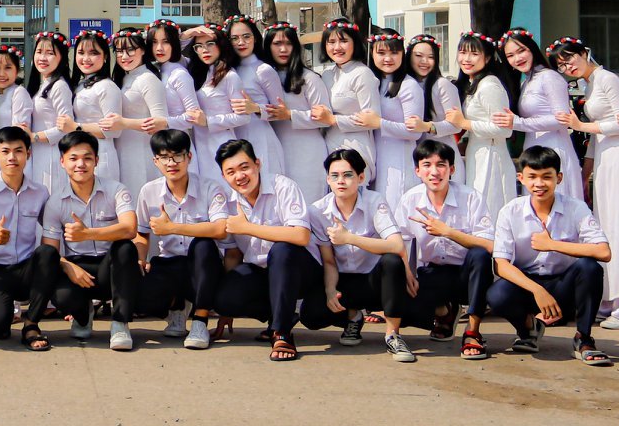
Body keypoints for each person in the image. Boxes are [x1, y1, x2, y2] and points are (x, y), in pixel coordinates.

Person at [549, 36, 619, 330]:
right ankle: (610, 298)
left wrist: (580, 125)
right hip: (605, 161)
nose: (567, 67)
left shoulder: (608, 79)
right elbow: (596, 137)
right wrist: (586, 173)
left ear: (585, 53)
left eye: (570, 59)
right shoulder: (590, 84)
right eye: (561, 65)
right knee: (607, 229)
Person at [488, 145, 615, 366]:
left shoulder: (576, 208)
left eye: (547, 177)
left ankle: (584, 338)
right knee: (497, 294)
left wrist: (552, 245)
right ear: (521, 178)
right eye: (532, 177)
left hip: (564, 286)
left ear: (559, 178)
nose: (539, 184)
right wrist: (537, 290)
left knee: (590, 268)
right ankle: (528, 329)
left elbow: (603, 252)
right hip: (528, 285)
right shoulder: (510, 211)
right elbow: (501, 264)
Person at [302, 148, 416, 362]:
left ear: (361, 177)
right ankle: (353, 317)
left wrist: (349, 238)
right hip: (344, 281)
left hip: (376, 282)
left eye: (348, 175)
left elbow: (396, 245)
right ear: (328, 179)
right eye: (334, 176)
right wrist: (330, 289)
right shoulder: (317, 211)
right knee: (311, 315)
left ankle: (393, 335)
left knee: (392, 261)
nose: (341, 181)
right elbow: (329, 260)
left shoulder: (375, 201)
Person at [209, 137, 314, 361]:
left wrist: (248, 227)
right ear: (224, 176)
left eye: (244, 167)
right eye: (231, 172)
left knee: (282, 250)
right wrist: (227, 310)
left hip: (298, 270)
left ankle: (282, 333)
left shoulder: (283, 186)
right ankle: (278, 316)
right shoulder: (229, 203)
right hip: (261, 272)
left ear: (258, 164)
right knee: (223, 300)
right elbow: (233, 253)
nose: (239, 176)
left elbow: (301, 235)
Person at [397, 138, 497, 359]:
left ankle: (472, 332)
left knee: (480, 255)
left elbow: (490, 245)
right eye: (427, 165)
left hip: (467, 274)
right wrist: (407, 274)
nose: (434, 172)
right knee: (400, 306)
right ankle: (445, 312)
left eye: (441, 165)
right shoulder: (410, 200)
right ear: (417, 171)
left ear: (452, 169)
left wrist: (448, 232)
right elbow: (399, 242)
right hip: (433, 272)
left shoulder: (470, 197)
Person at [43, 130, 140, 351]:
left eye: (87, 158)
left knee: (125, 248)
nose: (81, 164)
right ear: (62, 162)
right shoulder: (55, 201)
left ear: (96, 160)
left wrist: (88, 234)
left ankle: (120, 322)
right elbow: (49, 250)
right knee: (60, 294)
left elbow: (130, 228)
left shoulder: (116, 190)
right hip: (78, 267)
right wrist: (67, 267)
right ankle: (82, 315)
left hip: (110, 267)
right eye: (73, 158)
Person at [0, 125, 59, 351]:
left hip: (27, 269)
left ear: (29, 154)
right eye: (5, 151)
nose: (12, 158)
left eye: (18, 151)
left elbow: (52, 231)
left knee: (48, 253)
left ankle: (31, 324)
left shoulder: (40, 192)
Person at [134, 129, 224, 350]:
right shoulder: (148, 191)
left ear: (189, 157)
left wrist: (172, 227)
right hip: (169, 262)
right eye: (164, 157)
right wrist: (141, 259)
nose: (171, 163)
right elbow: (142, 233)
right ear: (155, 161)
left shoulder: (210, 188)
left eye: (177, 155)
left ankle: (200, 320)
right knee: (140, 300)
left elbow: (220, 229)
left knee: (203, 244)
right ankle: (177, 306)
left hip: (202, 266)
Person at [495, 29, 582, 201]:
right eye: (510, 55)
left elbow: (562, 119)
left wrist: (518, 123)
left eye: (521, 51)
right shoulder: (526, 82)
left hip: (554, 151)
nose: (517, 58)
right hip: (533, 152)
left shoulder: (549, 77)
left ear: (532, 48)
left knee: (557, 205)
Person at [450, 31, 516, 215]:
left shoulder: (489, 86)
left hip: (491, 156)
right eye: (462, 52)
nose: (466, 59)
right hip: (477, 152)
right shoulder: (474, 84)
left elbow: (504, 130)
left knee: (489, 208)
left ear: (487, 58)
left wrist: (465, 124)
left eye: (474, 54)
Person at [262, 21, 330, 199]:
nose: (283, 49)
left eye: (288, 43)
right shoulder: (262, 77)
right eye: (277, 44)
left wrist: (290, 115)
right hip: (274, 149)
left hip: (307, 153)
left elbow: (325, 118)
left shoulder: (309, 78)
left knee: (307, 201)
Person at [318, 18, 381, 185]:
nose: (337, 47)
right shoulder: (327, 75)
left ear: (355, 43)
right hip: (329, 147)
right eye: (331, 42)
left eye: (344, 41)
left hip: (356, 147)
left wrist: (334, 120)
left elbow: (372, 119)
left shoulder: (362, 74)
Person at [223, 15, 287, 180]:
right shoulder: (225, 69)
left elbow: (281, 111)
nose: (241, 42)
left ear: (255, 38)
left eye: (246, 36)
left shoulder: (264, 70)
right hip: (233, 137)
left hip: (260, 138)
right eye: (234, 38)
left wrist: (256, 108)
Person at [182, 25, 248, 174]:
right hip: (198, 144)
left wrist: (209, 121)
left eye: (210, 44)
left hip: (221, 144)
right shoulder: (195, 72)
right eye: (199, 46)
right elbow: (172, 51)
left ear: (221, 45)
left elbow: (243, 117)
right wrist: (188, 33)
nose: (204, 50)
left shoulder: (230, 76)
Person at [110, 28, 168, 199]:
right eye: (119, 51)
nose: (124, 56)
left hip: (143, 153)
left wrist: (124, 123)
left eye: (130, 50)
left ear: (142, 50)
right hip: (123, 151)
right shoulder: (124, 78)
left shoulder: (148, 79)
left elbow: (161, 123)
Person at [370, 30, 422, 205]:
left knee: (395, 206)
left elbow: (415, 132)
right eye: (381, 53)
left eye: (394, 52)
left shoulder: (409, 86)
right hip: (377, 157)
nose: (388, 58)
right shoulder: (374, 82)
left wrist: (379, 123)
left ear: (402, 54)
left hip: (399, 159)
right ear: (372, 53)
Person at [70, 30, 125, 190]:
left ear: (105, 56)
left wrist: (76, 128)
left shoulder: (107, 86)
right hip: (81, 154)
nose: (86, 58)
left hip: (101, 155)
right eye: (81, 53)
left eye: (93, 53)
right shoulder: (81, 85)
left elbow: (114, 130)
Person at [24, 31, 75, 191]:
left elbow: (66, 127)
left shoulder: (59, 86)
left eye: (50, 53)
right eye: (39, 52)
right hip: (38, 154)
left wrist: (34, 137)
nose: (42, 58)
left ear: (61, 58)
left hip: (52, 156)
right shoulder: (42, 85)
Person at [0, 45, 34, 138]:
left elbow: (18, 135)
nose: (2, 74)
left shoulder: (19, 93)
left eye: (8, 68)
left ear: (17, 70)